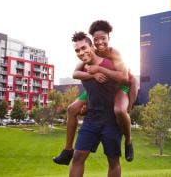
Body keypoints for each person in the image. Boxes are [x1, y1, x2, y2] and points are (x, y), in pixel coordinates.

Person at [53, 20, 139, 165]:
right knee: (72, 109)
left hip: (121, 85)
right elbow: (75, 73)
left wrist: (129, 106)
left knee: (120, 110)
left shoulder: (114, 53)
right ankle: (67, 151)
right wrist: (92, 76)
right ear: (92, 42)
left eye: (103, 38)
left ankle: (128, 142)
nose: (99, 43)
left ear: (109, 38)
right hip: (100, 86)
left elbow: (127, 79)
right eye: (96, 40)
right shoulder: (91, 52)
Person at [69, 32, 122, 177]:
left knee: (113, 161)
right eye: (77, 50)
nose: (81, 52)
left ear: (92, 46)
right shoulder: (82, 68)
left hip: (111, 120)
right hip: (91, 118)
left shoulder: (110, 64)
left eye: (84, 47)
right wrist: (86, 106)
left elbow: (126, 81)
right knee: (78, 156)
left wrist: (125, 107)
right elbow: (75, 75)